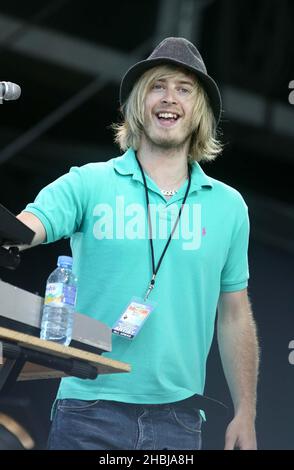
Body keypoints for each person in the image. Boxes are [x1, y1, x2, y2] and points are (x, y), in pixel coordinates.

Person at [16, 37, 259, 450]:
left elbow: (234, 315)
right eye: (157, 86)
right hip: (87, 409)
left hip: (179, 422)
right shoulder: (89, 182)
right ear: (136, 104)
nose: (170, 98)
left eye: (184, 89)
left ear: (199, 110)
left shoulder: (229, 206)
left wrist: (246, 412)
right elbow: (23, 230)